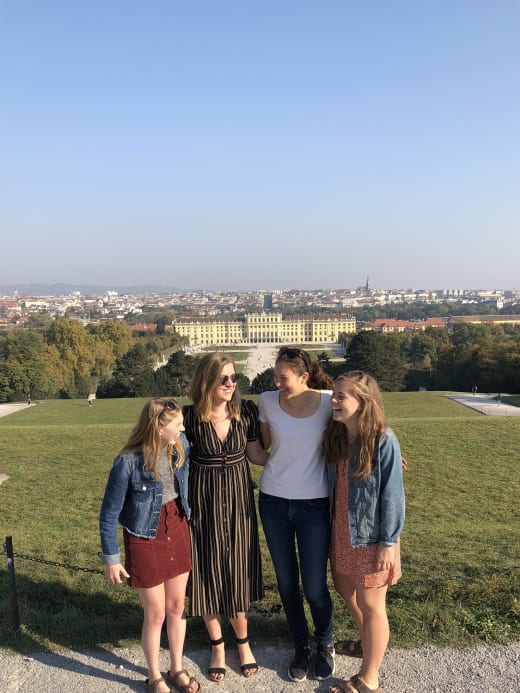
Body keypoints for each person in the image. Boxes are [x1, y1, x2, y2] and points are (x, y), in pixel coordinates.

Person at [99, 397, 200, 693]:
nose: (183, 428)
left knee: (177, 606)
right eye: (177, 424)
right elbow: (108, 513)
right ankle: (154, 675)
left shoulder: (180, 448)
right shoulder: (127, 461)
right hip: (144, 536)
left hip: (178, 527)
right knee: (155, 612)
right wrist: (111, 558)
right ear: (158, 426)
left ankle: (176, 667)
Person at [183, 352, 268, 683]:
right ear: (206, 382)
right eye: (223, 379)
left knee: (238, 570)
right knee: (206, 571)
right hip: (202, 503)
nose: (231, 384)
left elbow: (258, 455)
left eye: (234, 378)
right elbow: (168, 455)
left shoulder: (245, 413)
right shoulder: (189, 418)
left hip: (238, 503)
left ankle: (244, 643)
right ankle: (217, 644)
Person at [256, 346, 336, 683]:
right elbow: (263, 450)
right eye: (274, 377)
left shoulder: (330, 400)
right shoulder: (267, 400)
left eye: (283, 378)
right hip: (273, 500)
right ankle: (301, 645)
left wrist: (385, 456)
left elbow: (363, 426)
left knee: (315, 586)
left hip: (314, 503)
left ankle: (325, 642)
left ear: (304, 377)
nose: (276, 383)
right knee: (288, 584)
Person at [323, 372, 405, 693]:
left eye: (341, 396)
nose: (333, 400)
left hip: (371, 538)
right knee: (345, 588)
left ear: (363, 402)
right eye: (333, 393)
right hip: (343, 531)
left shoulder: (383, 440)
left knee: (373, 606)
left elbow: (393, 497)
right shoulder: (340, 435)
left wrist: (389, 543)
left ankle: (369, 678)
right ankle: (369, 642)